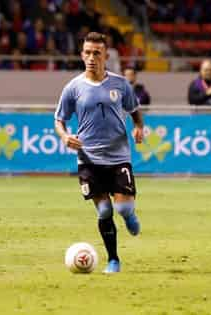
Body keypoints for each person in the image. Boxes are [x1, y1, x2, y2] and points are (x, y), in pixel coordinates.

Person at [54, 32, 144, 274]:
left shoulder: (120, 84)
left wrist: (138, 127)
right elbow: (59, 119)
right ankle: (113, 259)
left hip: (118, 157)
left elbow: (134, 109)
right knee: (104, 210)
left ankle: (130, 216)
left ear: (106, 55)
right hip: (88, 159)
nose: (91, 57)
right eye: (87, 53)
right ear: (82, 55)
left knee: (123, 209)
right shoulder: (73, 88)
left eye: (96, 53)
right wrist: (64, 136)